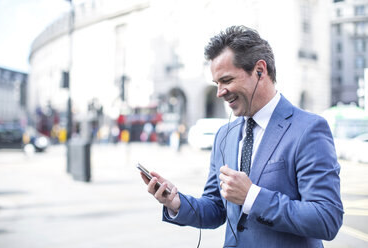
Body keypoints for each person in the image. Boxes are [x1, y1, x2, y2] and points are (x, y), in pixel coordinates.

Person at [140, 26, 343, 247]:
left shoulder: (309, 129)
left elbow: (326, 218)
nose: (220, 92)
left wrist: (252, 196)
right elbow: (217, 207)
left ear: (260, 70)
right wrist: (176, 202)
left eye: (226, 80)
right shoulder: (224, 135)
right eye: (216, 84)